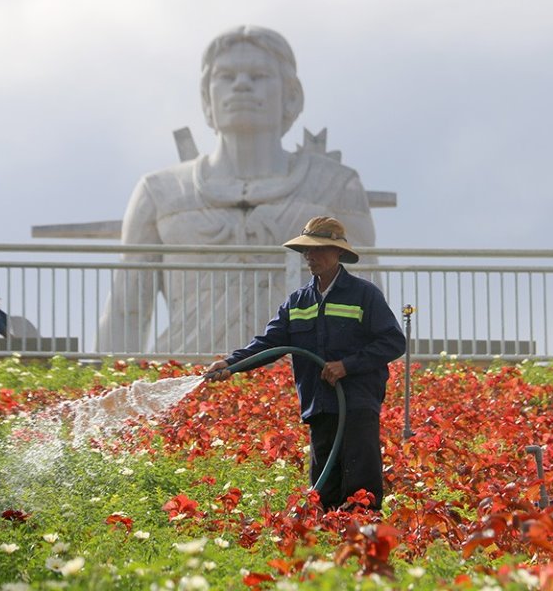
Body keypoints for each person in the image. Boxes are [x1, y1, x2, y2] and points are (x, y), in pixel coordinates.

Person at [98, 25, 376, 353]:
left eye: (258, 75)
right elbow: (126, 309)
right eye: (226, 76)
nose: (242, 85)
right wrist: (102, 385)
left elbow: (368, 300)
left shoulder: (336, 185)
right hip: (187, 376)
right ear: (206, 97)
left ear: (291, 95)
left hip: (304, 377)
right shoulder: (160, 191)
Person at [204, 217, 405, 510]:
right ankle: (329, 546)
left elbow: (393, 342)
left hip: (357, 404)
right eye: (307, 251)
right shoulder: (298, 302)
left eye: (320, 249)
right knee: (324, 489)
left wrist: (346, 365)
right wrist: (230, 363)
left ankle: (362, 546)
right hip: (320, 405)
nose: (311, 257)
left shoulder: (364, 295)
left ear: (338, 253)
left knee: (360, 486)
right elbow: (269, 344)